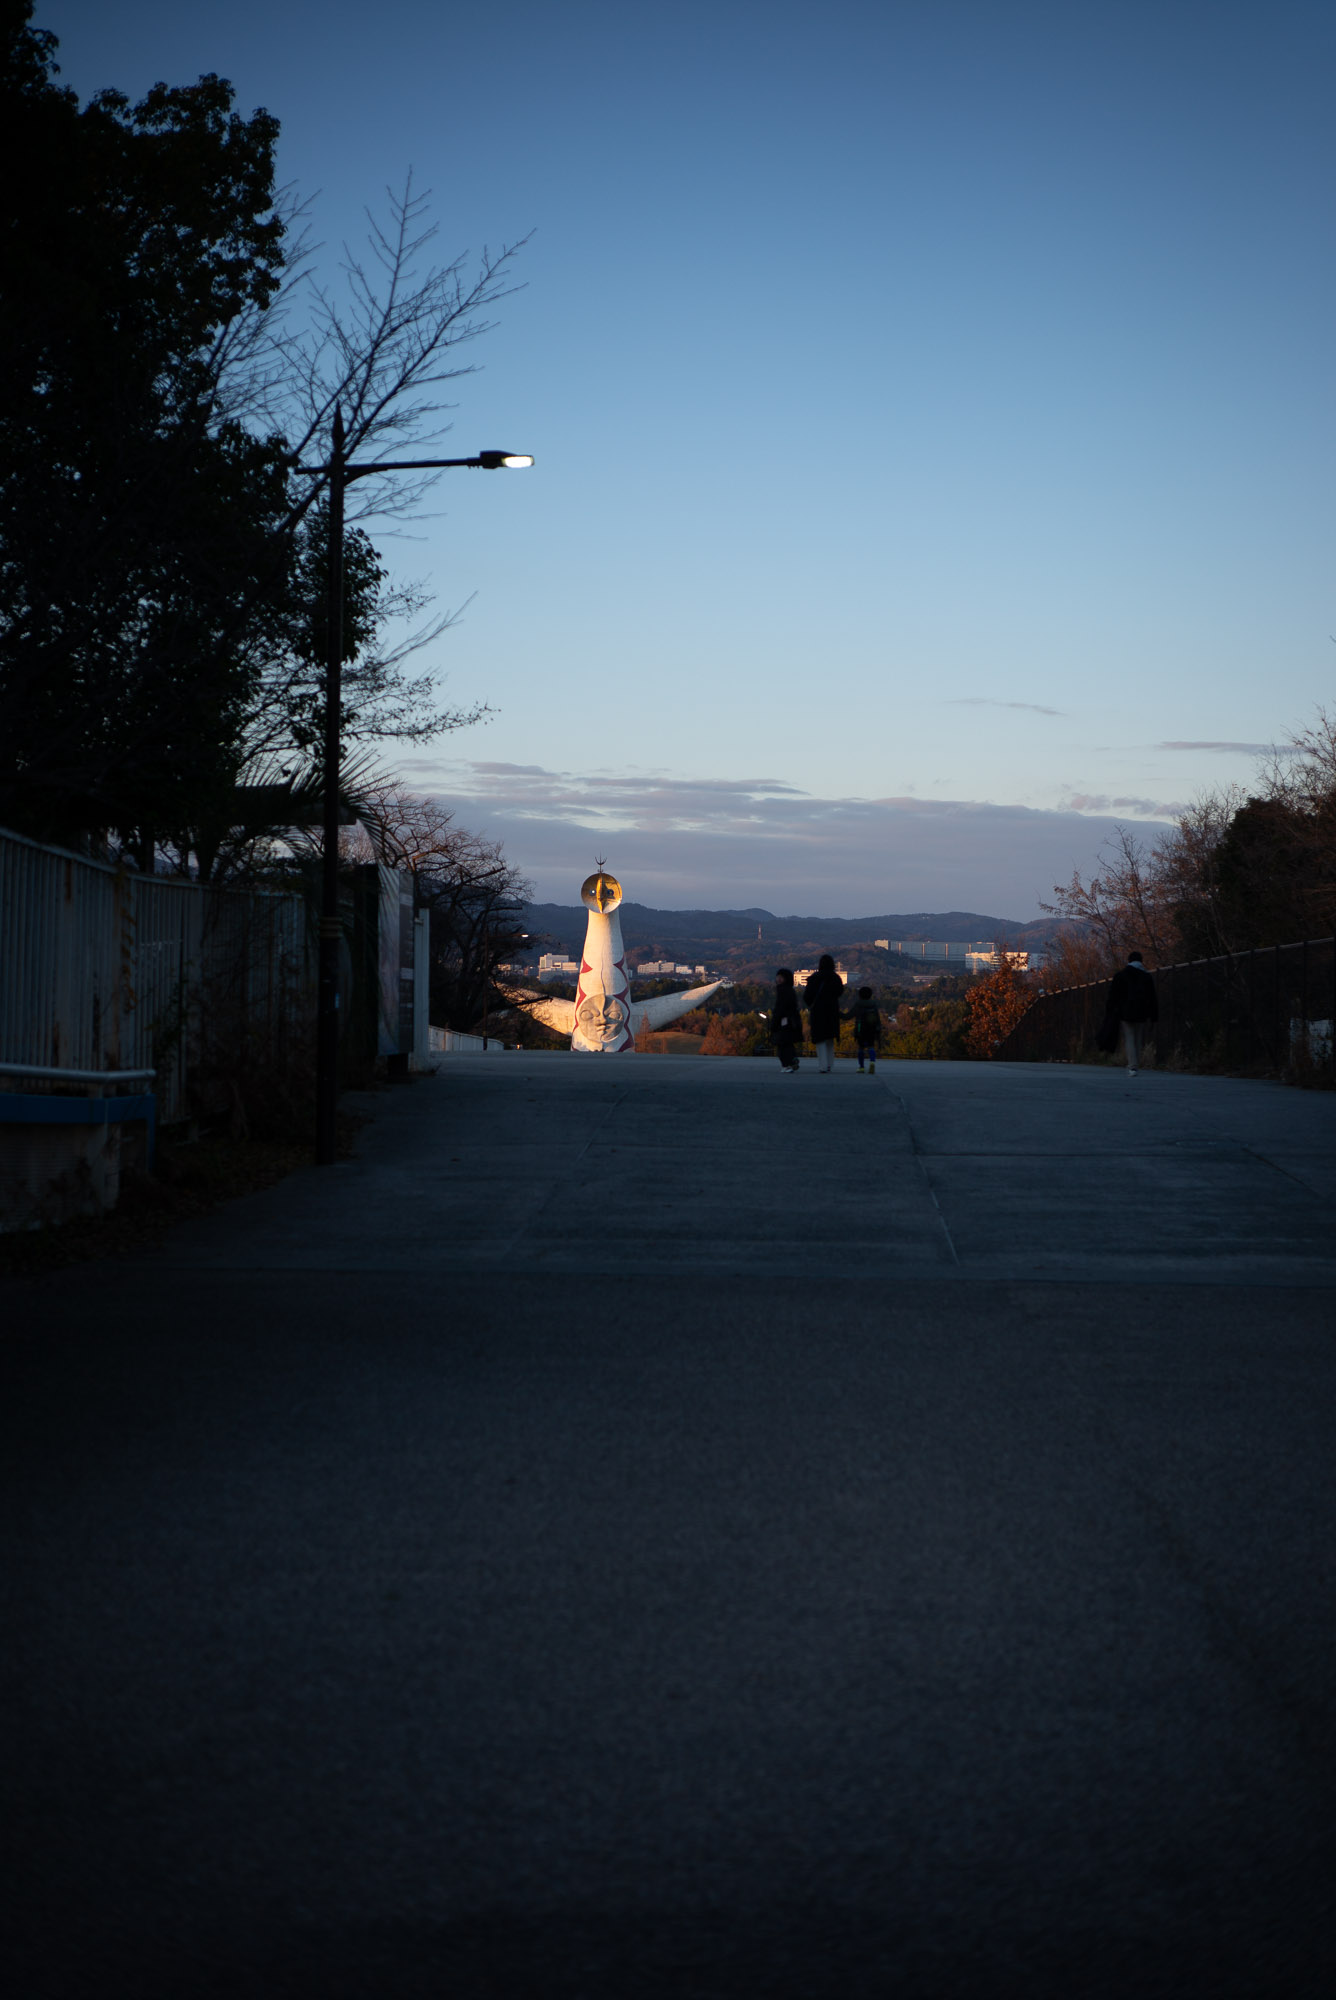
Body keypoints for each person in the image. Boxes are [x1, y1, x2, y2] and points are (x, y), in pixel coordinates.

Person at [1105, 950, 1158, 1075]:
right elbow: (1152, 997)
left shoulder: (1121, 975)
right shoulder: (1146, 977)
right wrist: (1153, 1015)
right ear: (1141, 961)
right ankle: (1136, 1064)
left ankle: (1132, 1065)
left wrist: (1111, 1010)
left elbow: (1113, 995)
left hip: (1125, 1011)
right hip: (1142, 1012)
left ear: (1129, 960)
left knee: (1129, 1037)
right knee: (1138, 1038)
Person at [804, 953, 845, 1074]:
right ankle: (830, 1065)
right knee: (829, 1039)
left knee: (820, 1039)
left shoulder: (814, 978)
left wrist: (812, 1005)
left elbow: (807, 996)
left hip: (818, 1012)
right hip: (832, 1012)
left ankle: (822, 1065)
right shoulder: (836, 978)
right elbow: (840, 992)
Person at [771, 968, 802, 1074]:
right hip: (791, 1021)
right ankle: (792, 1059)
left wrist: (775, 1020)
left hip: (783, 1021)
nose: (778, 979)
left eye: (781, 977)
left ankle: (786, 1065)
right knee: (788, 1043)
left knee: (782, 1044)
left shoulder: (782, 990)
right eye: (778, 977)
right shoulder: (791, 990)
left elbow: (780, 1007)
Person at [851, 986, 882, 1073]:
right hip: (872, 1029)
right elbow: (877, 1018)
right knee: (871, 1047)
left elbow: (849, 1015)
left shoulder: (858, 1004)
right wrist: (878, 1028)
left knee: (861, 1048)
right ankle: (872, 1062)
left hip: (861, 1029)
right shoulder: (873, 1004)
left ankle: (861, 1067)